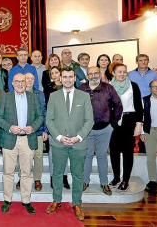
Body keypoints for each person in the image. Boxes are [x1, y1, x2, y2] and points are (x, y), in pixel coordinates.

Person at [45, 67, 94, 221]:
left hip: (78, 143)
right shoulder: (53, 96)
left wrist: (78, 137)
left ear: (74, 78)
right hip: (59, 143)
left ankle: (77, 203)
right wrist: (59, 137)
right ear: (59, 78)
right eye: (64, 77)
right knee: (57, 173)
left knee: (78, 174)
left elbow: (89, 120)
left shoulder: (84, 96)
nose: (67, 79)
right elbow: (49, 120)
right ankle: (56, 200)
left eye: (70, 77)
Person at [0, 73, 43, 215]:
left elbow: (40, 116)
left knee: (27, 172)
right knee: (8, 172)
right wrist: (10, 127)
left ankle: (26, 200)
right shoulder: (5, 97)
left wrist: (33, 127)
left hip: (27, 139)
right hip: (9, 138)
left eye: (22, 81)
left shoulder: (34, 98)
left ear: (26, 83)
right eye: (17, 81)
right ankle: (7, 199)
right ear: (12, 83)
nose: (20, 84)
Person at [78, 67, 123, 196]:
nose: (93, 76)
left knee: (102, 155)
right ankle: (85, 181)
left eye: (95, 73)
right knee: (87, 155)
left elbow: (118, 105)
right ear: (87, 75)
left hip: (105, 128)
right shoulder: (81, 89)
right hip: (87, 130)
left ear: (100, 74)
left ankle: (104, 183)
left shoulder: (109, 88)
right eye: (90, 74)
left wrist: (113, 123)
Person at [109, 63, 143, 192]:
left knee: (128, 152)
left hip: (129, 121)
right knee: (114, 151)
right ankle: (116, 177)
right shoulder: (109, 87)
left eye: (124, 72)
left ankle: (125, 180)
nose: (122, 74)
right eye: (119, 72)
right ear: (113, 73)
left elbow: (139, 105)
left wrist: (139, 123)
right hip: (114, 122)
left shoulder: (133, 86)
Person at [15, 73, 47, 191]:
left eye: (32, 79)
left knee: (38, 156)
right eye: (27, 78)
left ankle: (37, 178)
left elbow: (43, 112)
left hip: (37, 131)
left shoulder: (39, 94)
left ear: (34, 81)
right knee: (22, 156)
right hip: (22, 131)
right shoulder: (17, 93)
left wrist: (45, 130)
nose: (29, 80)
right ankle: (21, 177)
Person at [43, 66, 70, 190]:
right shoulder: (48, 89)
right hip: (53, 124)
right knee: (53, 154)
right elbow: (47, 109)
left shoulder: (69, 88)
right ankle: (54, 178)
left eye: (56, 72)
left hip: (67, 125)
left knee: (65, 153)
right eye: (51, 73)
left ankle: (64, 178)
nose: (54, 75)